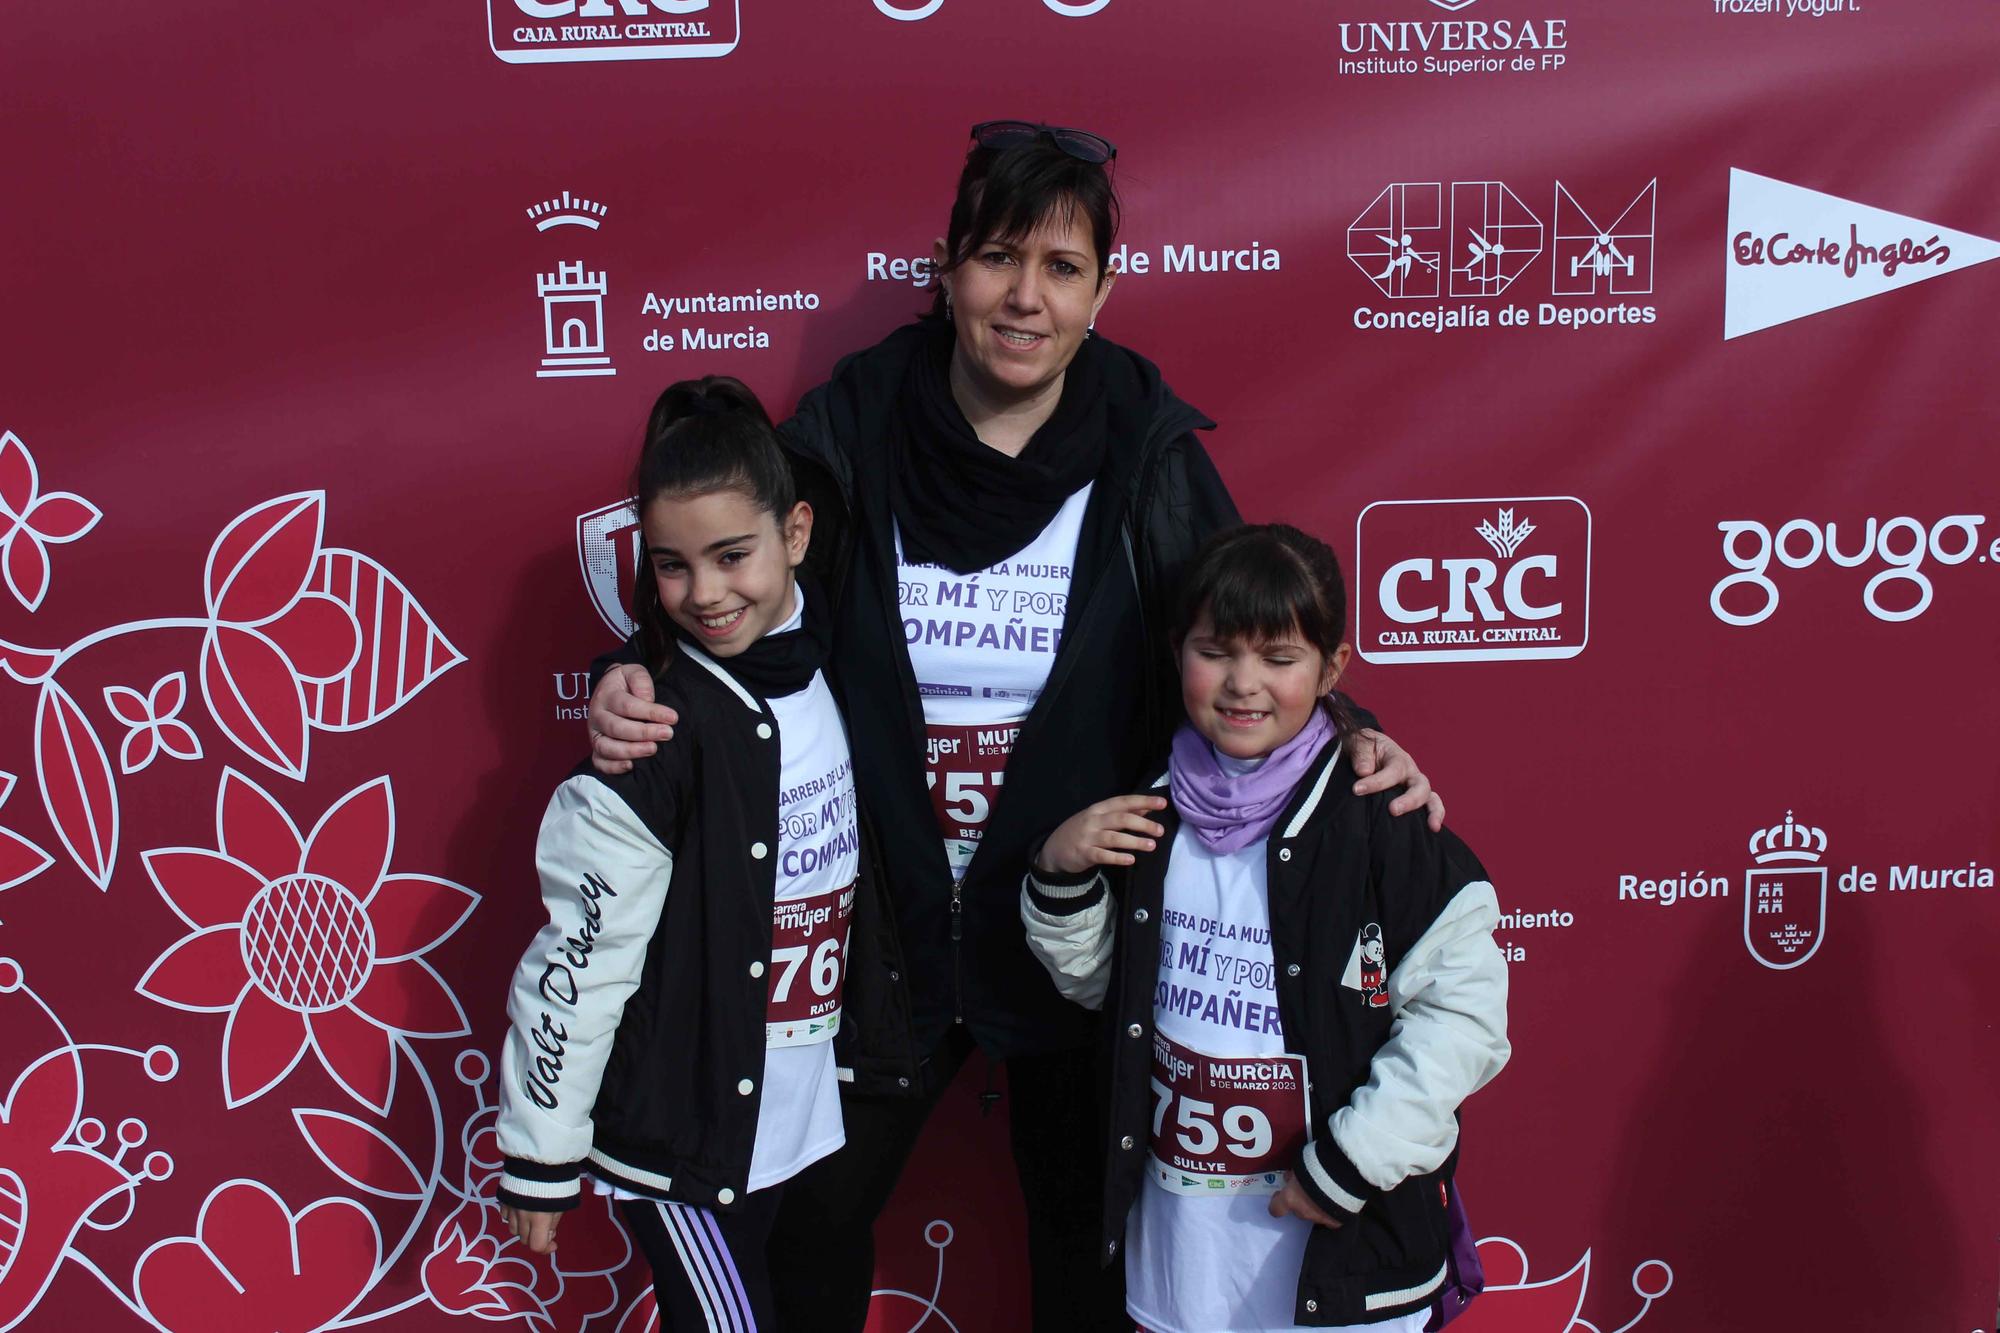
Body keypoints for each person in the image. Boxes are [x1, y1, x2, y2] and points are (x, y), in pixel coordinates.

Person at [583, 123, 1443, 1332]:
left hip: (1075, 924)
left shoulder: (1142, 444)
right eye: (996, 258)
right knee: (812, 1224)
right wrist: (642, 669)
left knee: (1082, 1244)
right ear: (945, 269)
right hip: (880, 925)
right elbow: (737, 579)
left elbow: (1242, 629)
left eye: (1060, 267)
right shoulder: (853, 425)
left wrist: (1346, 729)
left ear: (1102, 287)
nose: (1023, 297)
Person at [493, 378, 914, 1331]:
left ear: (796, 534)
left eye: (734, 555)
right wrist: (540, 1153)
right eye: (674, 565)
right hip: (688, 1135)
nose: (707, 593)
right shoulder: (652, 735)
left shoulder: (835, 667)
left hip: (801, 1112)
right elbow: (578, 959)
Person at [1021, 523, 1508, 1332]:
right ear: (1179, 651)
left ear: (1332, 667)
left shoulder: (1383, 817)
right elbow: (1107, 992)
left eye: (1279, 659)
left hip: (1340, 1260)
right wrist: (1059, 877)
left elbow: (1464, 1019)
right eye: (1217, 651)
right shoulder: (1147, 808)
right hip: (1187, 1260)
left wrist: (1344, 1168)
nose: (1244, 683)